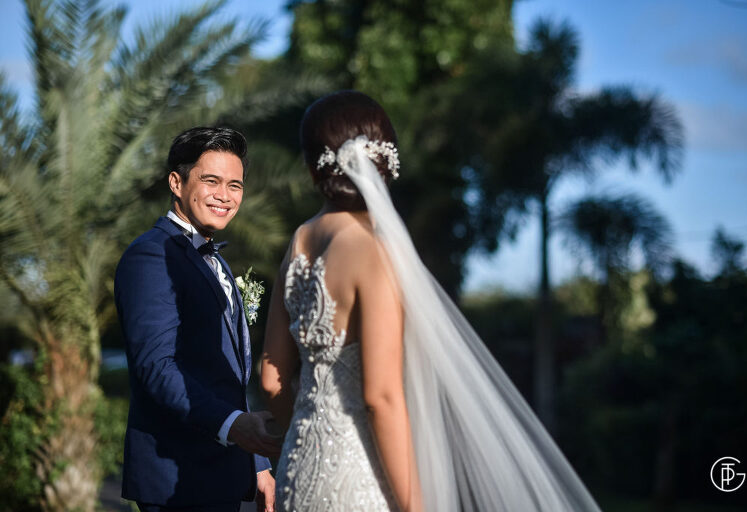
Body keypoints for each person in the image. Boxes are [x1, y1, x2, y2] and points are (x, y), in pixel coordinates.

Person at [260, 91, 602, 511]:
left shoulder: (300, 241)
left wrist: (306, 433)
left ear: (313, 165)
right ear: (385, 161)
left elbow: (270, 379)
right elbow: (381, 398)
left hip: (298, 469)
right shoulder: (372, 251)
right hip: (359, 476)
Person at [114, 127, 282, 512]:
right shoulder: (151, 255)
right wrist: (233, 425)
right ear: (177, 182)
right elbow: (156, 367)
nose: (225, 195)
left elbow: (229, 377)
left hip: (222, 471)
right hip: (177, 475)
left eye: (235, 185)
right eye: (211, 181)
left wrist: (257, 464)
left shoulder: (216, 260)